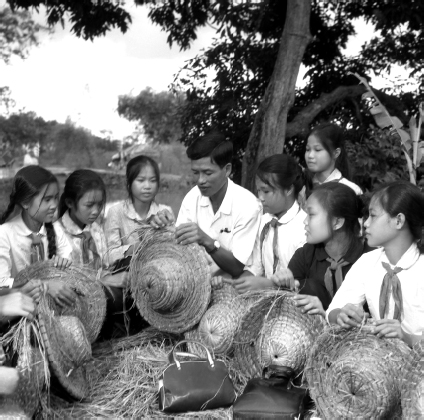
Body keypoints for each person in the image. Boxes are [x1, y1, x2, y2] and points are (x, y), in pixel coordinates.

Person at [151, 130, 262, 279]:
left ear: (227, 170)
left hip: (235, 285)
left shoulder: (248, 205)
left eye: (208, 173)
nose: (200, 180)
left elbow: (236, 268)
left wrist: (207, 242)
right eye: (195, 172)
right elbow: (179, 250)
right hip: (199, 282)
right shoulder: (192, 198)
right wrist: (166, 228)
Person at [327, 181, 424, 346]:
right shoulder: (368, 262)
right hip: (379, 362)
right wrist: (342, 315)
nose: (365, 223)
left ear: (398, 221)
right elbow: (332, 311)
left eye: (373, 215)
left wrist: (407, 338)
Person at [58, 169, 142, 337]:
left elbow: (105, 262)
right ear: (69, 202)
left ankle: (137, 330)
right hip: (75, 293)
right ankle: (103, 337)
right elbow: (68, 277)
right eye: (89, 206)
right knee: (113, 296)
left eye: (100, 204)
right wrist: (104, 279)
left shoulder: (95, 229)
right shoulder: (58, 232)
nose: (96, 211)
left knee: (135, 266)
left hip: (100, 277)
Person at [273, 183, 371, 317]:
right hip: (312, 333)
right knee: (309, 287)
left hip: (360, 335)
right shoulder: (305, 255)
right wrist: (283, 283)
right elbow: (287, 305)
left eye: (311, 215)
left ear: (337, 222)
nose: (305, 222)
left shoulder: (370, 258)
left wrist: (325, 313)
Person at [0, 165, 73, 308]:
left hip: (51, 306)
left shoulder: (55, 229)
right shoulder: (4, 234)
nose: (54, 205)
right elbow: (2, 283)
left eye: (56, 198)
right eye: (47, 200)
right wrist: (44, 286)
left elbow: (70, 264)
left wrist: (62, 264)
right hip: (18, 308)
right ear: (25, 202)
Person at [232, 154, 307, 293]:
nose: (260, 197)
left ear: (289, 189)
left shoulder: (305, 228)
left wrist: (266, 284)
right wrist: (239, 282)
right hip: (263, 300)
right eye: (258, 190)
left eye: (266, 191)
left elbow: (299, 281)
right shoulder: (263, 221)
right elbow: (256, 267)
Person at [105, 155, 174, 265]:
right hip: (125, 277)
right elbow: (110, 256)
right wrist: (141, 246)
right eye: (141, 180)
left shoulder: (165, 212)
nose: (147, 186)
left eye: (152, 180)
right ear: (129, 183)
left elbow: (173, 250)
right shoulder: (116, 212)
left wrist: (166, 230)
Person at [301, 123, 362, 207]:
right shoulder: (301, 185)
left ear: (336, 153)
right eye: (308, 149)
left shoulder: (351, 190)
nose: (310, 155)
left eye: (317, 150)